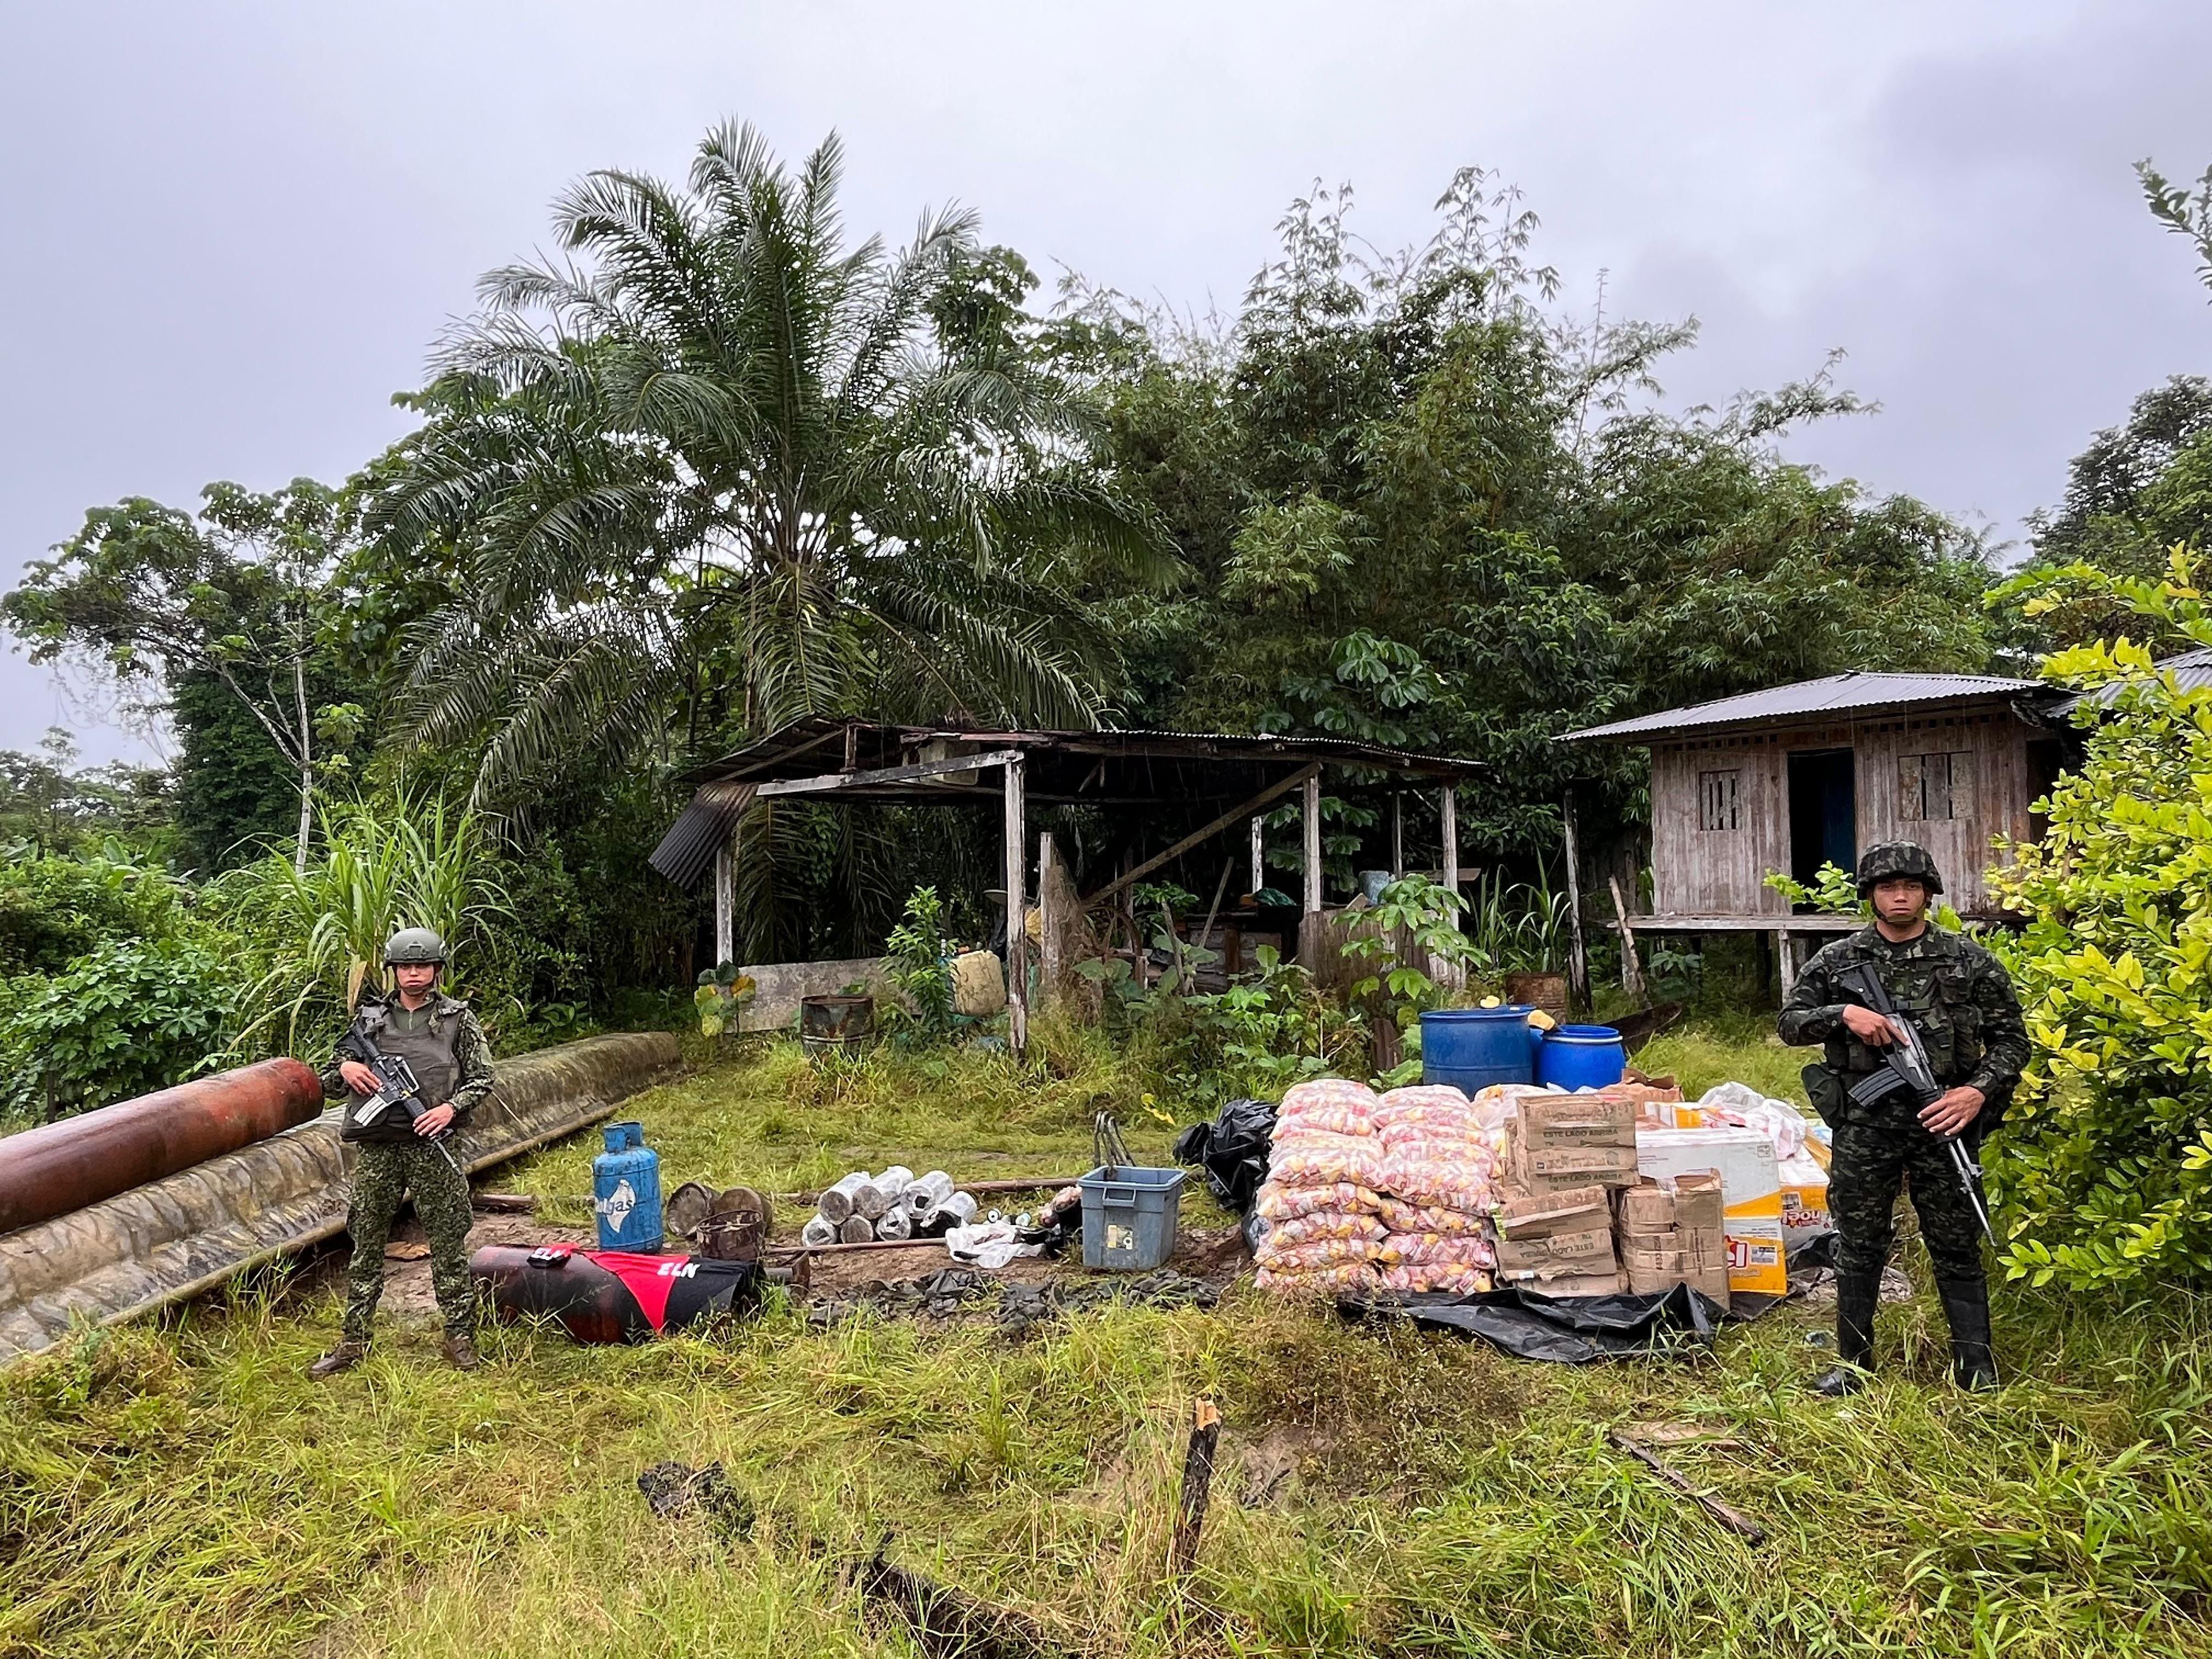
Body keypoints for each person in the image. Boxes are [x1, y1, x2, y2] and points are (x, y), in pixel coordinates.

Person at [1778, 841, 2028, 1395]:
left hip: (1946, 1124)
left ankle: (1975, 1367)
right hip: (1867, 1123)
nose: (1899, 896)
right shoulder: (1839, 961)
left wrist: (1977, 1092)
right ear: (1870, 895)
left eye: (1911, 887)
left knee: (1956, 1241)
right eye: (1888, 887)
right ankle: (1853, 1365)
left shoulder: (1969, 959)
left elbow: (2013, 1041)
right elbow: (1790, 1024)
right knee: (1860, 1240)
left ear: (1928, 894)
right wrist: (1842, 1013)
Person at [306, 927, 494, 1379]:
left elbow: (482, 1079)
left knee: (448, 1239)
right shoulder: (368, 1022)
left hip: (433, 1147)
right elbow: (330, 1080)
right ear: (394, 971)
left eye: (423, 966)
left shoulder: (457, 1019)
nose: (414, 974)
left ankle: (458, 1335)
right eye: (406, 966)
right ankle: (353, 1340)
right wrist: (346, 1066)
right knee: (366, 1239)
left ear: (436, 970)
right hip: (379, 1148)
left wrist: (450, 1109)